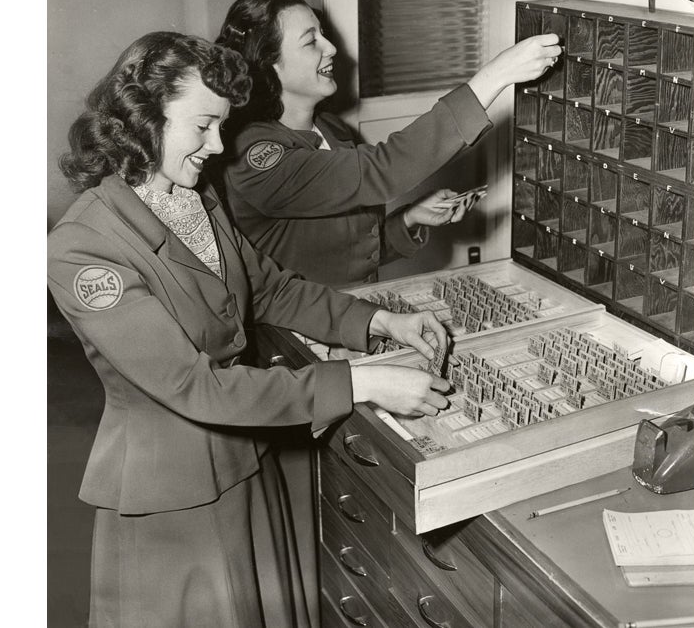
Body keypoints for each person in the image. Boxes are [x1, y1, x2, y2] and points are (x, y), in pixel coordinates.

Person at [47, 31, 455, 628]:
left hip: (246, 453)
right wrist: (363, 383)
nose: (217, 145)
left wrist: (379, 320)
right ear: (141, 120)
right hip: (175, 490)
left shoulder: (193, 194)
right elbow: (196, 387)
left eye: (222, 125)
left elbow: (267, 288)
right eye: (203, 125)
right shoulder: (83, 248)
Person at [215, 0, 563, 288]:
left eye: (323, 34)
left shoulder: (333, 130)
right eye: (311, 42)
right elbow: (383, 169)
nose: (331, 48)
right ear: (268, 65)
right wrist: (496, 75)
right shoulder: (253, 158)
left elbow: (343, 253)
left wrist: (410, 219)